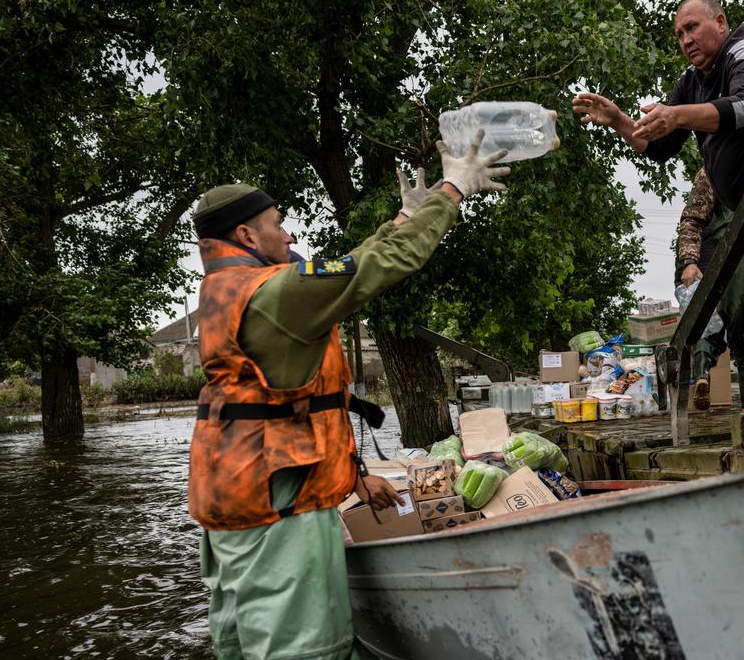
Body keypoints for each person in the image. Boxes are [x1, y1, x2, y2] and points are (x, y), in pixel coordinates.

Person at [188, 131, 508, 659]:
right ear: (245, 233)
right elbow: (375, 271)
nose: (287, 234)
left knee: (243, 647)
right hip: (278, 514)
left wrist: (402, 220)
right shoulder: (273, 294)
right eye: (276, 225)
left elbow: (344, 268)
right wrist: (453, 192)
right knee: (304, 651)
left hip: (234, 497)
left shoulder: (227, 291)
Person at [573, 0, 744, 398]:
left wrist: (676, 114)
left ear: (721, 22)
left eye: (692, 27)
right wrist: (620, 121)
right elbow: (657, 148)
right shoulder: (692, 82)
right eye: (679, 34)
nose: (686, 39)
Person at [674, 169, 744, 409]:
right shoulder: (713, 167)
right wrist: (689, 261)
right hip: (732, 253)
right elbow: (692, 219)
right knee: (739, 329)